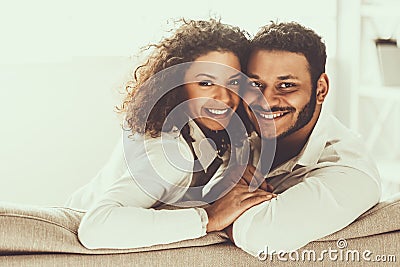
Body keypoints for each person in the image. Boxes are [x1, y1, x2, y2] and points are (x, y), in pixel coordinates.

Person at [65, 19, 275, 249]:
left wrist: (230, 170)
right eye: (205, 83)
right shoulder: (170, 154)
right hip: (79, 225)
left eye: (233, 81)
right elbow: (96, 228)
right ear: (178, 87)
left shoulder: (213, 135)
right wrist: (209, 217)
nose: (224, 97)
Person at [223, 22, 381, 256]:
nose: (265, 100)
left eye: (286, 86)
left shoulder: (351, 174)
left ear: (321, 90)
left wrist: (219, 198)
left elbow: (261, 236)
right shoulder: (234, 125)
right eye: (255, 84)